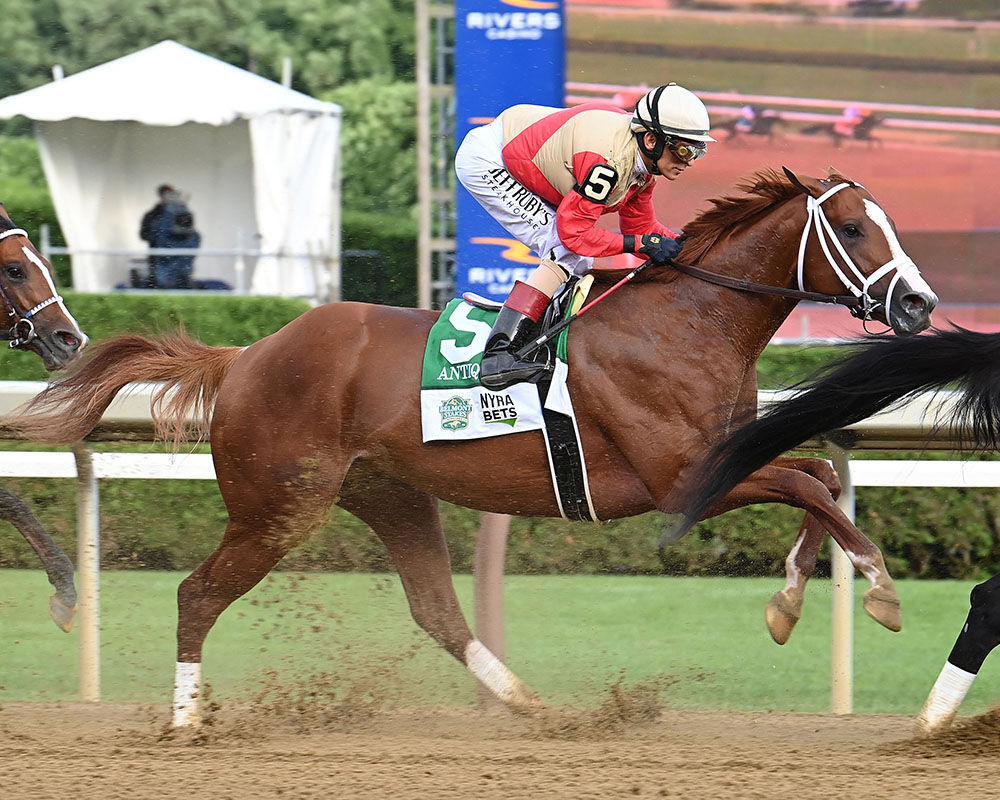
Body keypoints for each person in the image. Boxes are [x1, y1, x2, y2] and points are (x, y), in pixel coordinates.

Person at [455, 82, 714, 390]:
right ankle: (499, 356)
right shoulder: (609, 164)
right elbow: (574, 235)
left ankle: (543, 340)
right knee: (565, 251)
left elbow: (641, 230)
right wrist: (638, 244)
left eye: (698, 151)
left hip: (522, 154)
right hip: (490, 160)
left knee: (581, 259)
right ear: (650, 139)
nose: (688, 161)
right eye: (683, 149)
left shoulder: (643, 168)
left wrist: (692, 247)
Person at [138, 184, 201, 289]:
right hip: (159, 259)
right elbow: (144, 235)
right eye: (168, 195)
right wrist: (158, 237)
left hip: (180, 261)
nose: (171, 197)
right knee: (160, 287)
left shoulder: (182, 213)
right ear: (161, 196)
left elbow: (191, 234)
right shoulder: (152, 214)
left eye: (172, 194)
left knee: (180, 285)